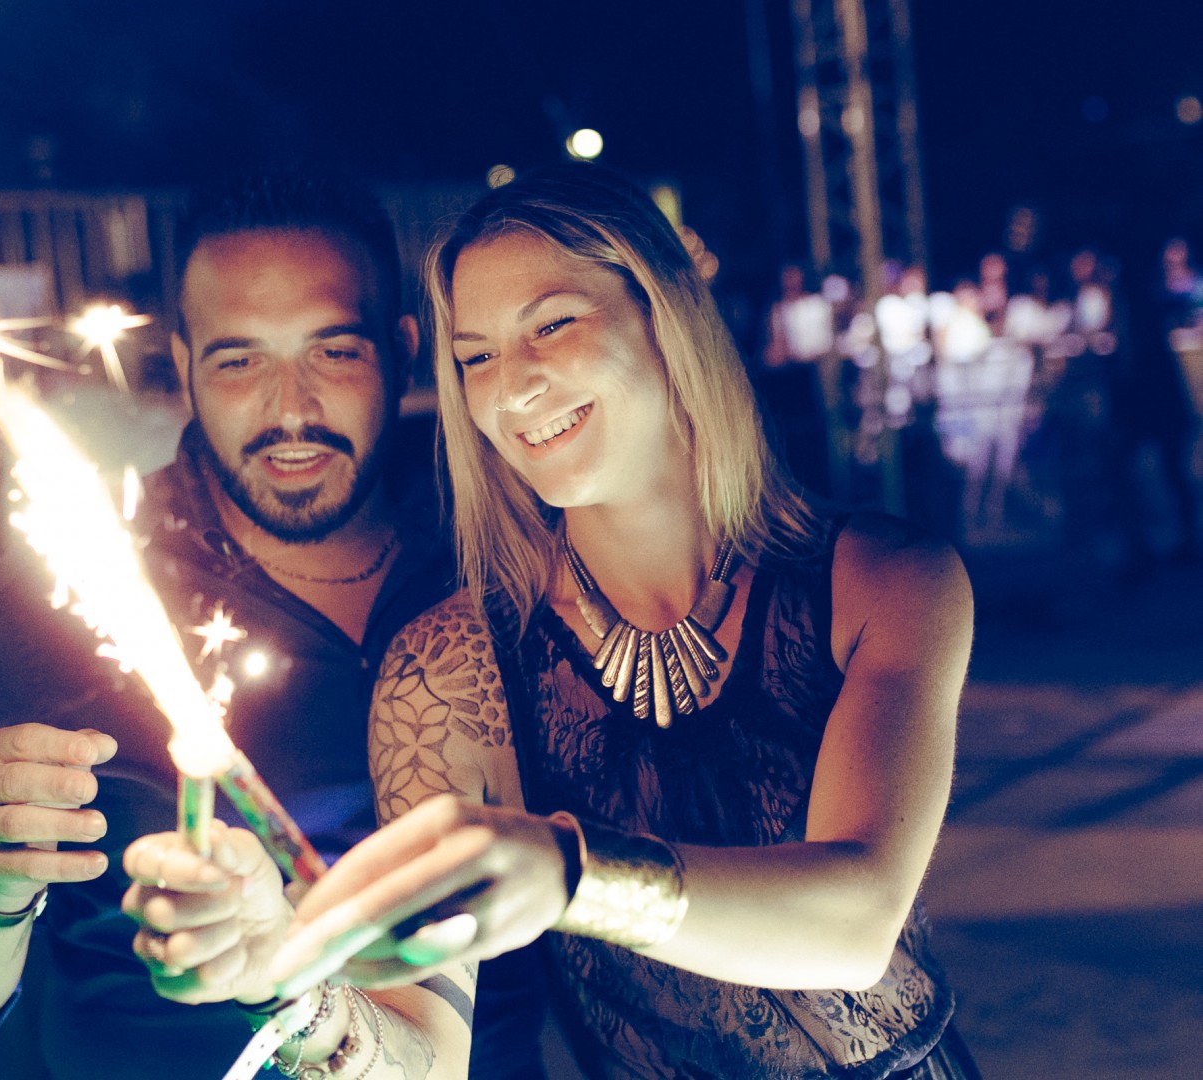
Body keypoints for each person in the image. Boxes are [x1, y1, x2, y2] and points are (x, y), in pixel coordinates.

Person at [128, 163, 980, 1079]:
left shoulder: (883, 582)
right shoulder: (450, 669)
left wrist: (571, 875)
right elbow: (425, 1054)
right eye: (476, 357)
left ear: (663, 315)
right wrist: (289, 986)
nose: (514, 386)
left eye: (552, 326)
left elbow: (855, 925)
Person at [0, 172, 484, 1079]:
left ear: (403, 348)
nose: (290, 409)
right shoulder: (55, 592)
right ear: (183, 365)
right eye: (239, 362)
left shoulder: (494, 563)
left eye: (333, 352)